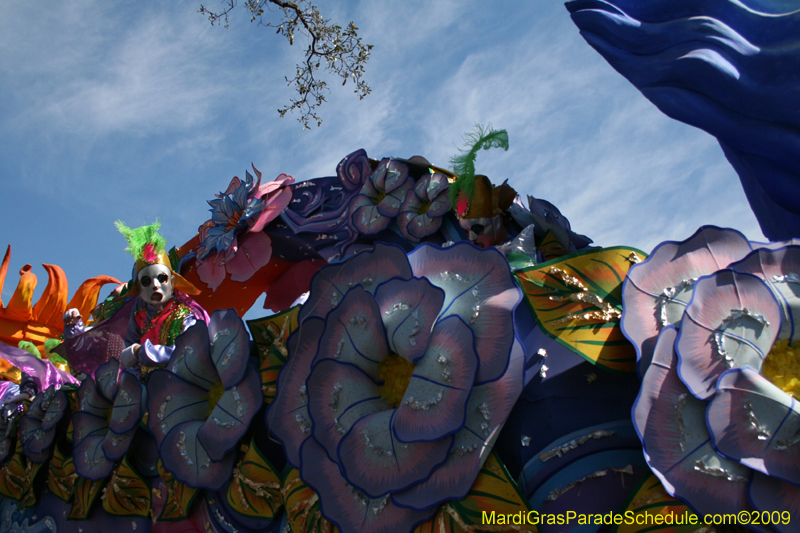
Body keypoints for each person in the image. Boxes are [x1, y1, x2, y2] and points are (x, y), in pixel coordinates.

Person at [63, 221, 208, 372]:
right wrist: (73, 328)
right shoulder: (139, 315)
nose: (155, 285)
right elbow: (106, 350)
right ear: (139, 288)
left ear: (172, 281)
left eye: (161, 278)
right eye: (146, 281)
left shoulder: (184, 315)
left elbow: (191, 350)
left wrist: (142, 353)